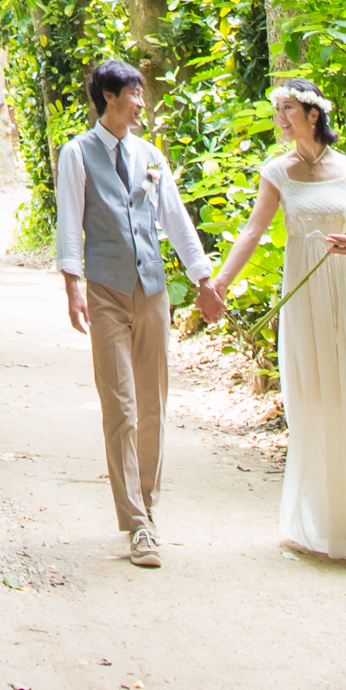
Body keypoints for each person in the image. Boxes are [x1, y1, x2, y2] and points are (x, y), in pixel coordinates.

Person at [209, 76, 346, 575]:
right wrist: (220, 284)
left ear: (313, 114)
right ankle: (321, 525)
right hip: (305, 299)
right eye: (279, 108)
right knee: (315, 403)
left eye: (288, 107)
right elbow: (253, 229)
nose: (280, 116)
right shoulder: (277, 171)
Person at [52, 57, 222, 569]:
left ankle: (149, 501)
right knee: (121, 406)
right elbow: (68, 221)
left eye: (142, 96)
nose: (141, 105)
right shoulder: (76, 154)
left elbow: (175, 220)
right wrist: (73, 285)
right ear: (109, 97)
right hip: (105, 291)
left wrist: (204, 280)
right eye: (134, 95)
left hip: (152, 292)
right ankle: (136, 523)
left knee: (153, 405)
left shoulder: (151, 155)